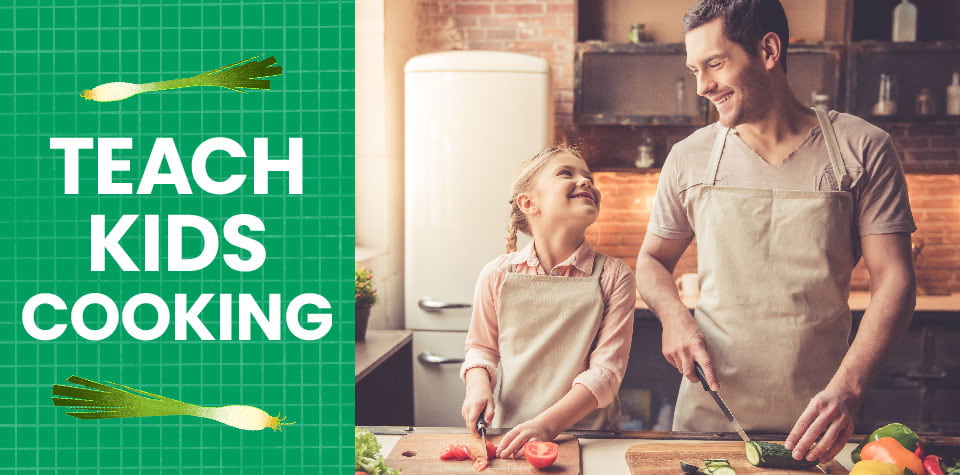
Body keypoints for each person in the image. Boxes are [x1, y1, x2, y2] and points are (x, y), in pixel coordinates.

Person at [635, 0, 917, 464]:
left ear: (768, 50)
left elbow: (895, 279)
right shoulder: (690, 157)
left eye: (715, 64)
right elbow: (651, 262)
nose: (703, 85)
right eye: (694, 69)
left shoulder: (861, 147)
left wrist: (848, 390)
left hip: (822, 422)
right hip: (711, 422)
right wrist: (674, 317)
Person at [460, 146, 636, 458]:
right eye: (566, 173)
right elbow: (482, 349)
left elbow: (606, 373)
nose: (585, 182)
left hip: (589, 438)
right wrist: (477, 386)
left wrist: (545, 426)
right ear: (529, 203)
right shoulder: (497, 274)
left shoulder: (614, 276)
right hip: (510, 434)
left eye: (588, 177)